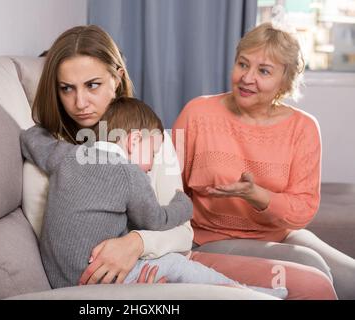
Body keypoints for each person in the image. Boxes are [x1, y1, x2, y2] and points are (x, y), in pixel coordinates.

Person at [31, 24, 337, 299]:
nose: (80, 103)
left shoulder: (151, 142)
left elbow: (182, 230)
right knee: (309, 283)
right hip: (128, 275)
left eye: (93, 85)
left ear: (117, 79)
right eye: (66, 88)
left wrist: (137, 243)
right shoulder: (57, 150)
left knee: (314, 276)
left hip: (165, 257)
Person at [21, 96, 288, 298]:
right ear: (134, 141)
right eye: (154, 151)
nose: (151, 164)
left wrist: (45, 125)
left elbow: (30, 139)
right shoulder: (129, 173)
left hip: (58, 281)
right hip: (97, 278)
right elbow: (156, 220)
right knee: (176, 266)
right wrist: (183, 203)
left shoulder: (67, 156)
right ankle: (248, 294)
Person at [172, 22, 353, 299]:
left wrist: (258, 196)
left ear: (285, 81)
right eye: (243, 64)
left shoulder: (302, 128)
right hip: (210, 238)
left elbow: (303, 209)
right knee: (312, 269)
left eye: (264, 71)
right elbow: (169, 189)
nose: (247, 77)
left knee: (350, 278)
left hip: (279, 234)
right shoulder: (198, 113)